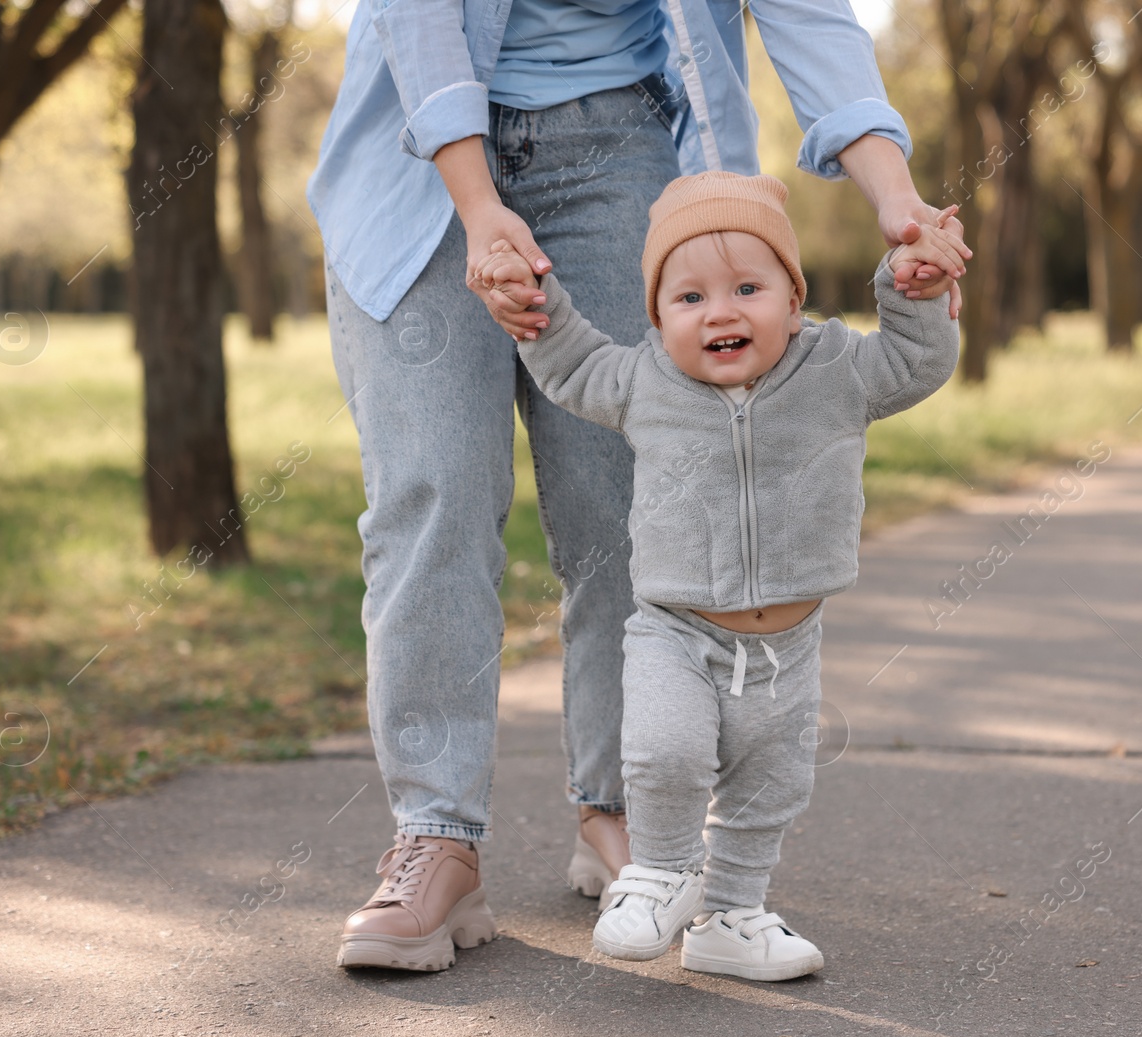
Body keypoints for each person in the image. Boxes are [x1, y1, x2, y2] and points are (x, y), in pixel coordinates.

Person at [311, 0, 970, 974]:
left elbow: (806, 15)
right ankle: (435, 834)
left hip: (625, 144)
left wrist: (896, 195)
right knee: (430, 495)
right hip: (419, 152)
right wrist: (477, 199)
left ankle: (625, 815)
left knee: (630, 499)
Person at [475, 171, 959, 980]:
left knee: (770, 789)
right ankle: (660, 870)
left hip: (789, 646)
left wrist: (916, 288)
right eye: (689, 298)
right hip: (675, 628)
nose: (722, 311)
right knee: (663, 747)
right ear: (659, 318)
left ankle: (732, 917)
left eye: (748, 287)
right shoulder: (644, 381)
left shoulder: (835, 370)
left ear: (793, 299)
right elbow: (569, 363)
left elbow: (917, 359)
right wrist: (535, 308)